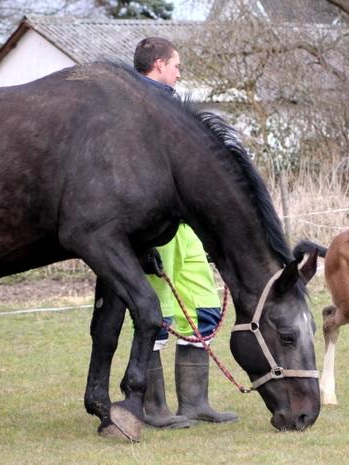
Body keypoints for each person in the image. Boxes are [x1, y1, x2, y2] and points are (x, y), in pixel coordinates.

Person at [133, 37, 237, 428]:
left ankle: (195, 403)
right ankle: (154, 407)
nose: (180, 72)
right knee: (158, 312)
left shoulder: (169, 103)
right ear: (159, 64)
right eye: (177, 65)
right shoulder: (137, 104)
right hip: (155, 222)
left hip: (184, 223)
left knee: (204, 305)